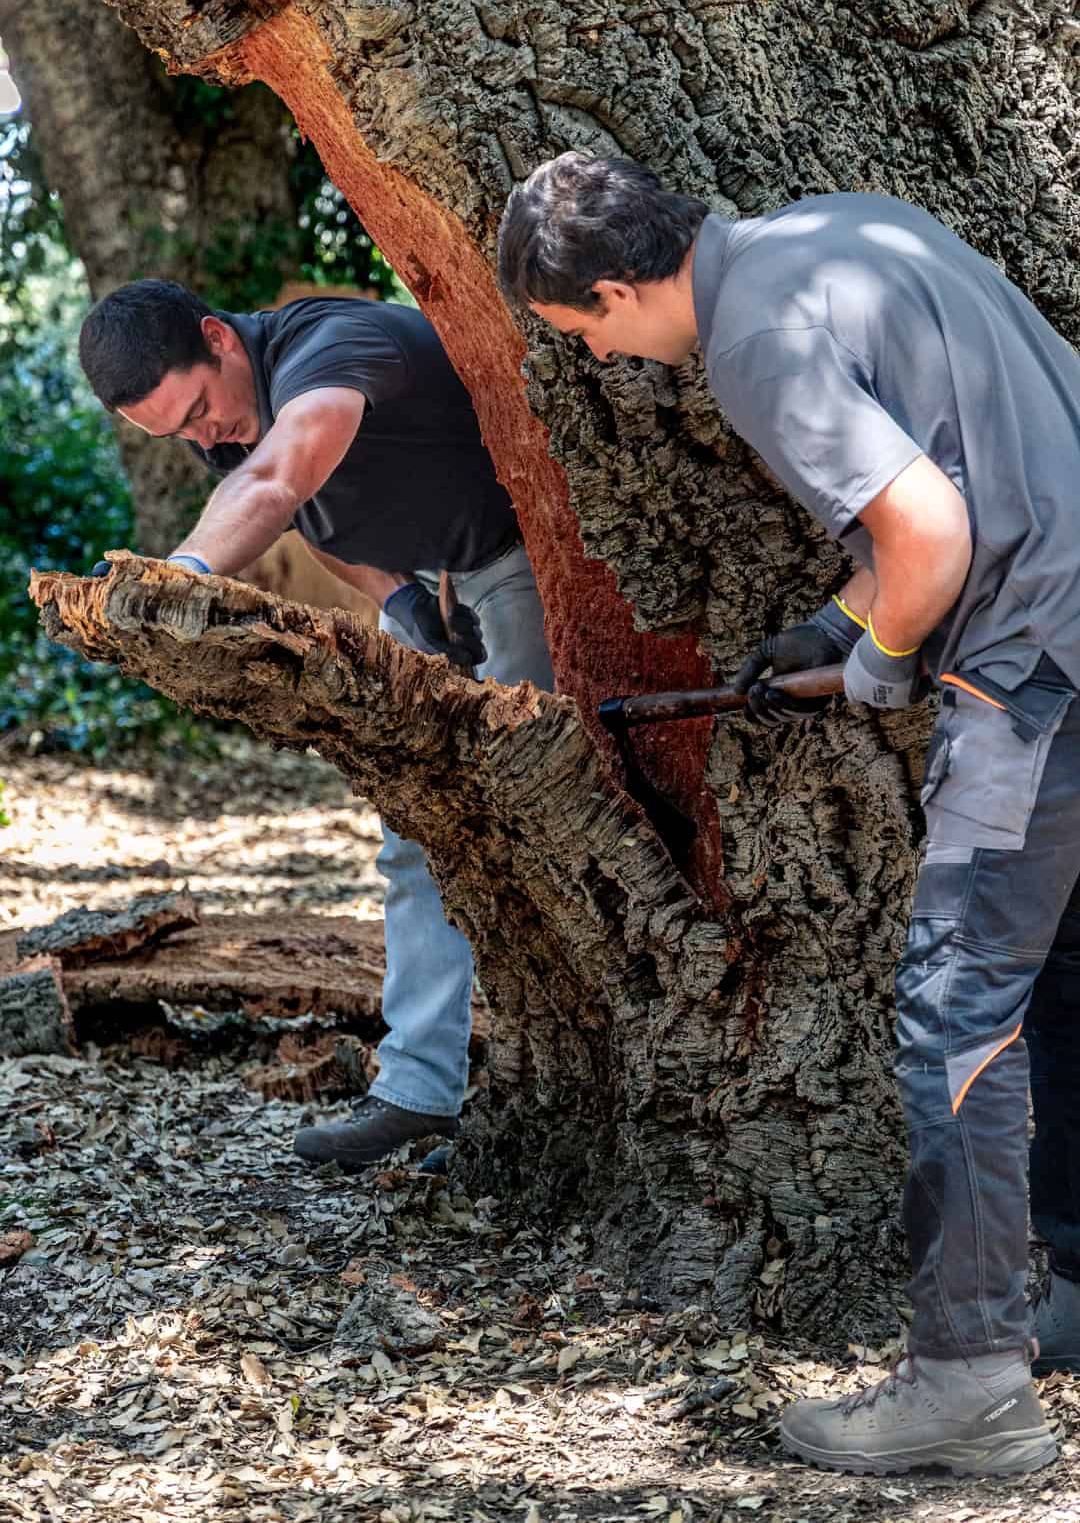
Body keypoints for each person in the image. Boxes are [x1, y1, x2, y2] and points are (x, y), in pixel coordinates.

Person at [498, 151, 1080, 1477]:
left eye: (585, 335)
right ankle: (1075, 1304)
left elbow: (930, 531)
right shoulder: (856, 225)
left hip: (1039, 669)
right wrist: (835, 618)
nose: (608, 360)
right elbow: (964, 464)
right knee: (1066, 974)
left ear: (610, 289)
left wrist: (875, 667)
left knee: (954, 1019)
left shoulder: (755, 333)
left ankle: (971, 1386)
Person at [78, 281, 553, 1170]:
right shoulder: (226, 417)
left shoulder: (333, 346)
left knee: (524, 821)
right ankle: (420, 1090)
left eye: (197, 414)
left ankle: (559, 1072)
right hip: (435, 576)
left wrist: (174, 582)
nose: (201, 439)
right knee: (416, 830)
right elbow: (312, 511)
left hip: (521, 560)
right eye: (173, 434)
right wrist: (396, 597)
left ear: (219, 338)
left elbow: (283, 476)